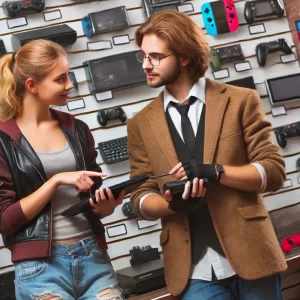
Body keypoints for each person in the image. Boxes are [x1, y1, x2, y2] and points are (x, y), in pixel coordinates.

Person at [127, 10, 287, 300]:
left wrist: (216, 171)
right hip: (192, 269)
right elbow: (140, 196)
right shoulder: (140, 124)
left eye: (155, 57)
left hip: (252, 254)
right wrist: (170, 206)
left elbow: (273, 171)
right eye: (143, 56)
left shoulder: (240, 101)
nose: (146, 65)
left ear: (185, 56)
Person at [0, 39, 124, 300]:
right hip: (40, 268)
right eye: (60, 79)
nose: (69, 85)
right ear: (32, 85)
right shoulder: (3, 140)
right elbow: (6, 220)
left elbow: (92, 195)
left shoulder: (76, 129)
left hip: (93, 257)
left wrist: (104, 207)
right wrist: (54, 181)